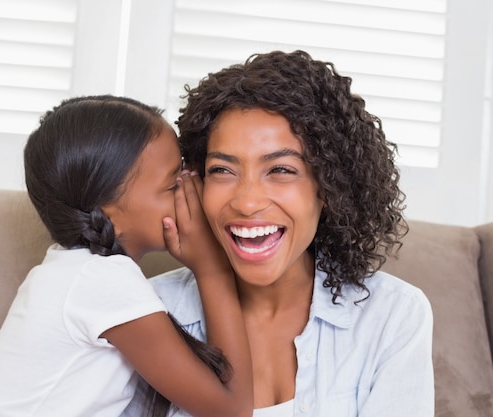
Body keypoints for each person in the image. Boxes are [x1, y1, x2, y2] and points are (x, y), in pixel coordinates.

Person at [123, 50, 434, 417]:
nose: (248, 202)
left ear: (329, 187)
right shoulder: (147, 313)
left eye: (281, 170)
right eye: (223, 170)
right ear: (194, 183)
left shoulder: (391, 315)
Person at [0, 95, 253, 417]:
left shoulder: (75, 270)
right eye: (172, 183)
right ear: (109, 209)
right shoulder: (102, 280)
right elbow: (230, 409)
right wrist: (212, 268)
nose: (192, 189)